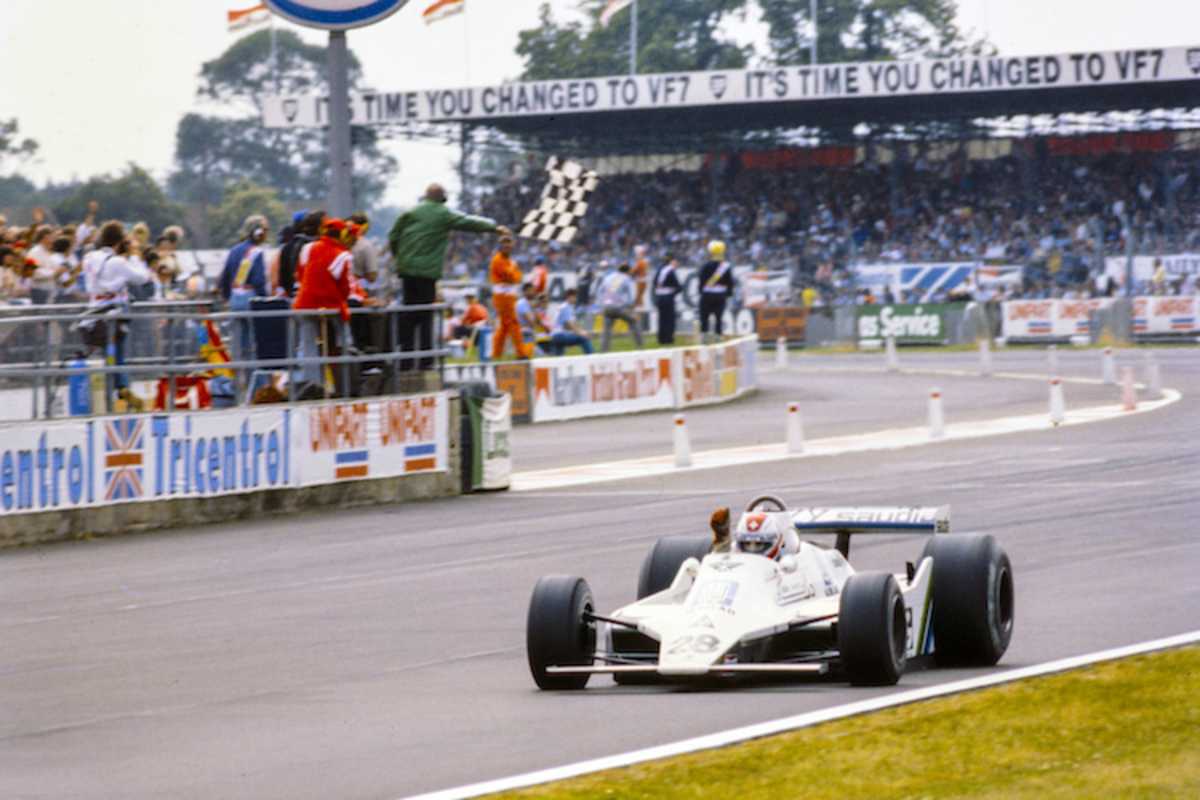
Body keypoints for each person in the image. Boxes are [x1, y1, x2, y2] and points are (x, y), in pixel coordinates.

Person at [388, 183, 509, 371]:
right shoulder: (443, 213)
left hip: (407, 271)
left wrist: (400, 258)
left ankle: (405, 360)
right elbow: (469, 221)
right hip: (427, 273)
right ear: (442, 198)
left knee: (409, 314)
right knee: (425, 315)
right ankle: (426, 361)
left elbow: (393, 236)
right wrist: (494, 227)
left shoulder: (410, 213)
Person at [80, 221, 152, 410]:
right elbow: (143, 277)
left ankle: (119, 390)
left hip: (92, 316)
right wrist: (135, 256)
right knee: (117, 355)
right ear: (119, 242)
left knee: (110, 357)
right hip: (113, 316)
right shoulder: (118, 262)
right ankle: (121, 389)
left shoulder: (89, 257)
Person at [293, 218, 357, 395]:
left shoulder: (308, 248)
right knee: (344, 340)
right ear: (342, 234)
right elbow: (344, 286)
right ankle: (345, 383)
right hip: (331, 303)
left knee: (308, 346)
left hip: (305, 302)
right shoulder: (343, 255)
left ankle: (312, 386)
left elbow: (300, 274)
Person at [219, 215, 271, 361]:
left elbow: (225, 277)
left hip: (235, 300)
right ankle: (256, 383)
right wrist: (265, 300)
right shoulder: (256, 252)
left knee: (238, 345)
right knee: (255, 344)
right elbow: (259, 280)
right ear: (259, 232)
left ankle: (239, 380)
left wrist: (227, 297)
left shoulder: (234, 250)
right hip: (252, 299)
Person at [489, 234, 530, 359]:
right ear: (500, 247)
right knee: (513, 323)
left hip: (508, 295)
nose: (507, 246)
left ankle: (496, 354)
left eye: (509, 244)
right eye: (504, 244)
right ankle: (521, 353)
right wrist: (514, 273)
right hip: (503, 296)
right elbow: (511, 277)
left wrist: (514, 274)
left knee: (504, 326)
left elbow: (518, 277)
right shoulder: (498, 260)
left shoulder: (510, 261)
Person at [598, 262, 643, 352]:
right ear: (627, 271)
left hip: (606, 306)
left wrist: (602, 304)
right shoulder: (626, 278)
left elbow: (600, 291)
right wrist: (631, 308)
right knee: (634, 320)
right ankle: (640, 347)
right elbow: (631, 296)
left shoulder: (608, 277)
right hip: (619, 307)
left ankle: (604, 351)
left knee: (606, 330)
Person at [698, 239, 734, 342]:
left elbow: (701, 281)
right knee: (719, 317)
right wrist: (727, 294)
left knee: (704, 317)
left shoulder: (706, 266)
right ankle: (718, 337)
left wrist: (702, 291)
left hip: (707, 295)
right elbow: (730, 283)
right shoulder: (726, 267)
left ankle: (704, 336)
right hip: (720, 295)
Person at [549, 287, 593, 355]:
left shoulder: (564, 306)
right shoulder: (566, 307)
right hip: (560, 335)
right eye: (575, 297)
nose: (576, 299)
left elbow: (572, 324)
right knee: (584, 339)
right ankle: (592, 358)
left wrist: (582, 331)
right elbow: (570, 324)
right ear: (569, 297)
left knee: (558, 359)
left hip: (555, 335)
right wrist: (582, 333)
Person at [652, 255, 682, 345]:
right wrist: (674, 292)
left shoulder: (660, 269)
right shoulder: (670, 271)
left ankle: (661, 338)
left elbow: (654, 282)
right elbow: (678, 286)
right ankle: (669, 339)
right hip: (668, 297)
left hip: (659, 297)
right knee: (669, 319)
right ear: (672, 261)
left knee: (661, 319)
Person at [632, 244, 650, 308]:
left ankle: (639, 307)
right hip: (643, 280)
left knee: (639, 295)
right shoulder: (644, 261)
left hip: (640, 280)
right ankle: (640, 306)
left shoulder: (641, 262)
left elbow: (635, 270)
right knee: (640, 295)